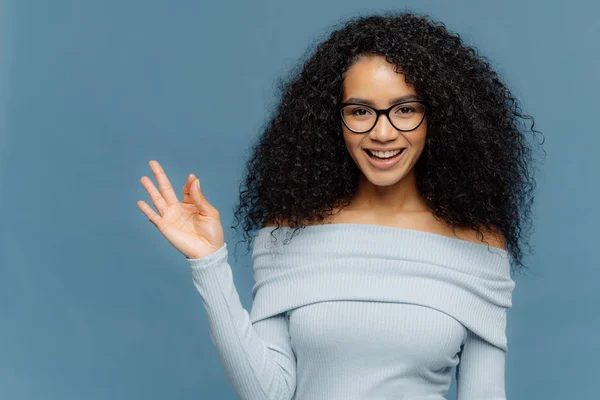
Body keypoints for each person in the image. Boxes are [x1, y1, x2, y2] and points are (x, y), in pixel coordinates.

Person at [137, 11, 543, 400]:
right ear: (333, 121)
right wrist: (209, 262)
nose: (382, 132)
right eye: (360, 111)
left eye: (405, 110)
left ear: (438, 119)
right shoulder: (290, 231)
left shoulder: (479, 245)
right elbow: (266, 393)